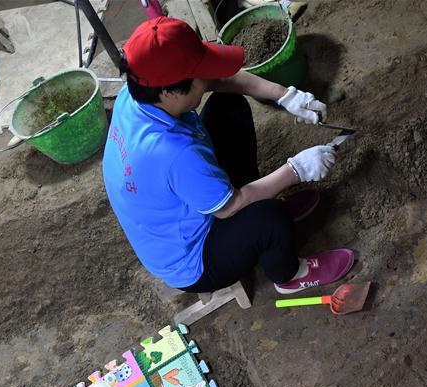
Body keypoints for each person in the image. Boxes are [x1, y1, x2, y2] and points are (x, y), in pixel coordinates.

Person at [102, 17, 354, 296]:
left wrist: (284, 96)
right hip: (193, 256)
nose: (207, 80)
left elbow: (220, 80)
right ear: (170, 91)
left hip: (179, 200)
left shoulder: (138, 91)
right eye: (199, 76)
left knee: (228, 106)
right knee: (271, 219)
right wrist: (296, 170)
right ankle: (290, 274)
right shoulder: (172, 152)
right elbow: (229, 207)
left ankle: (260, 206)